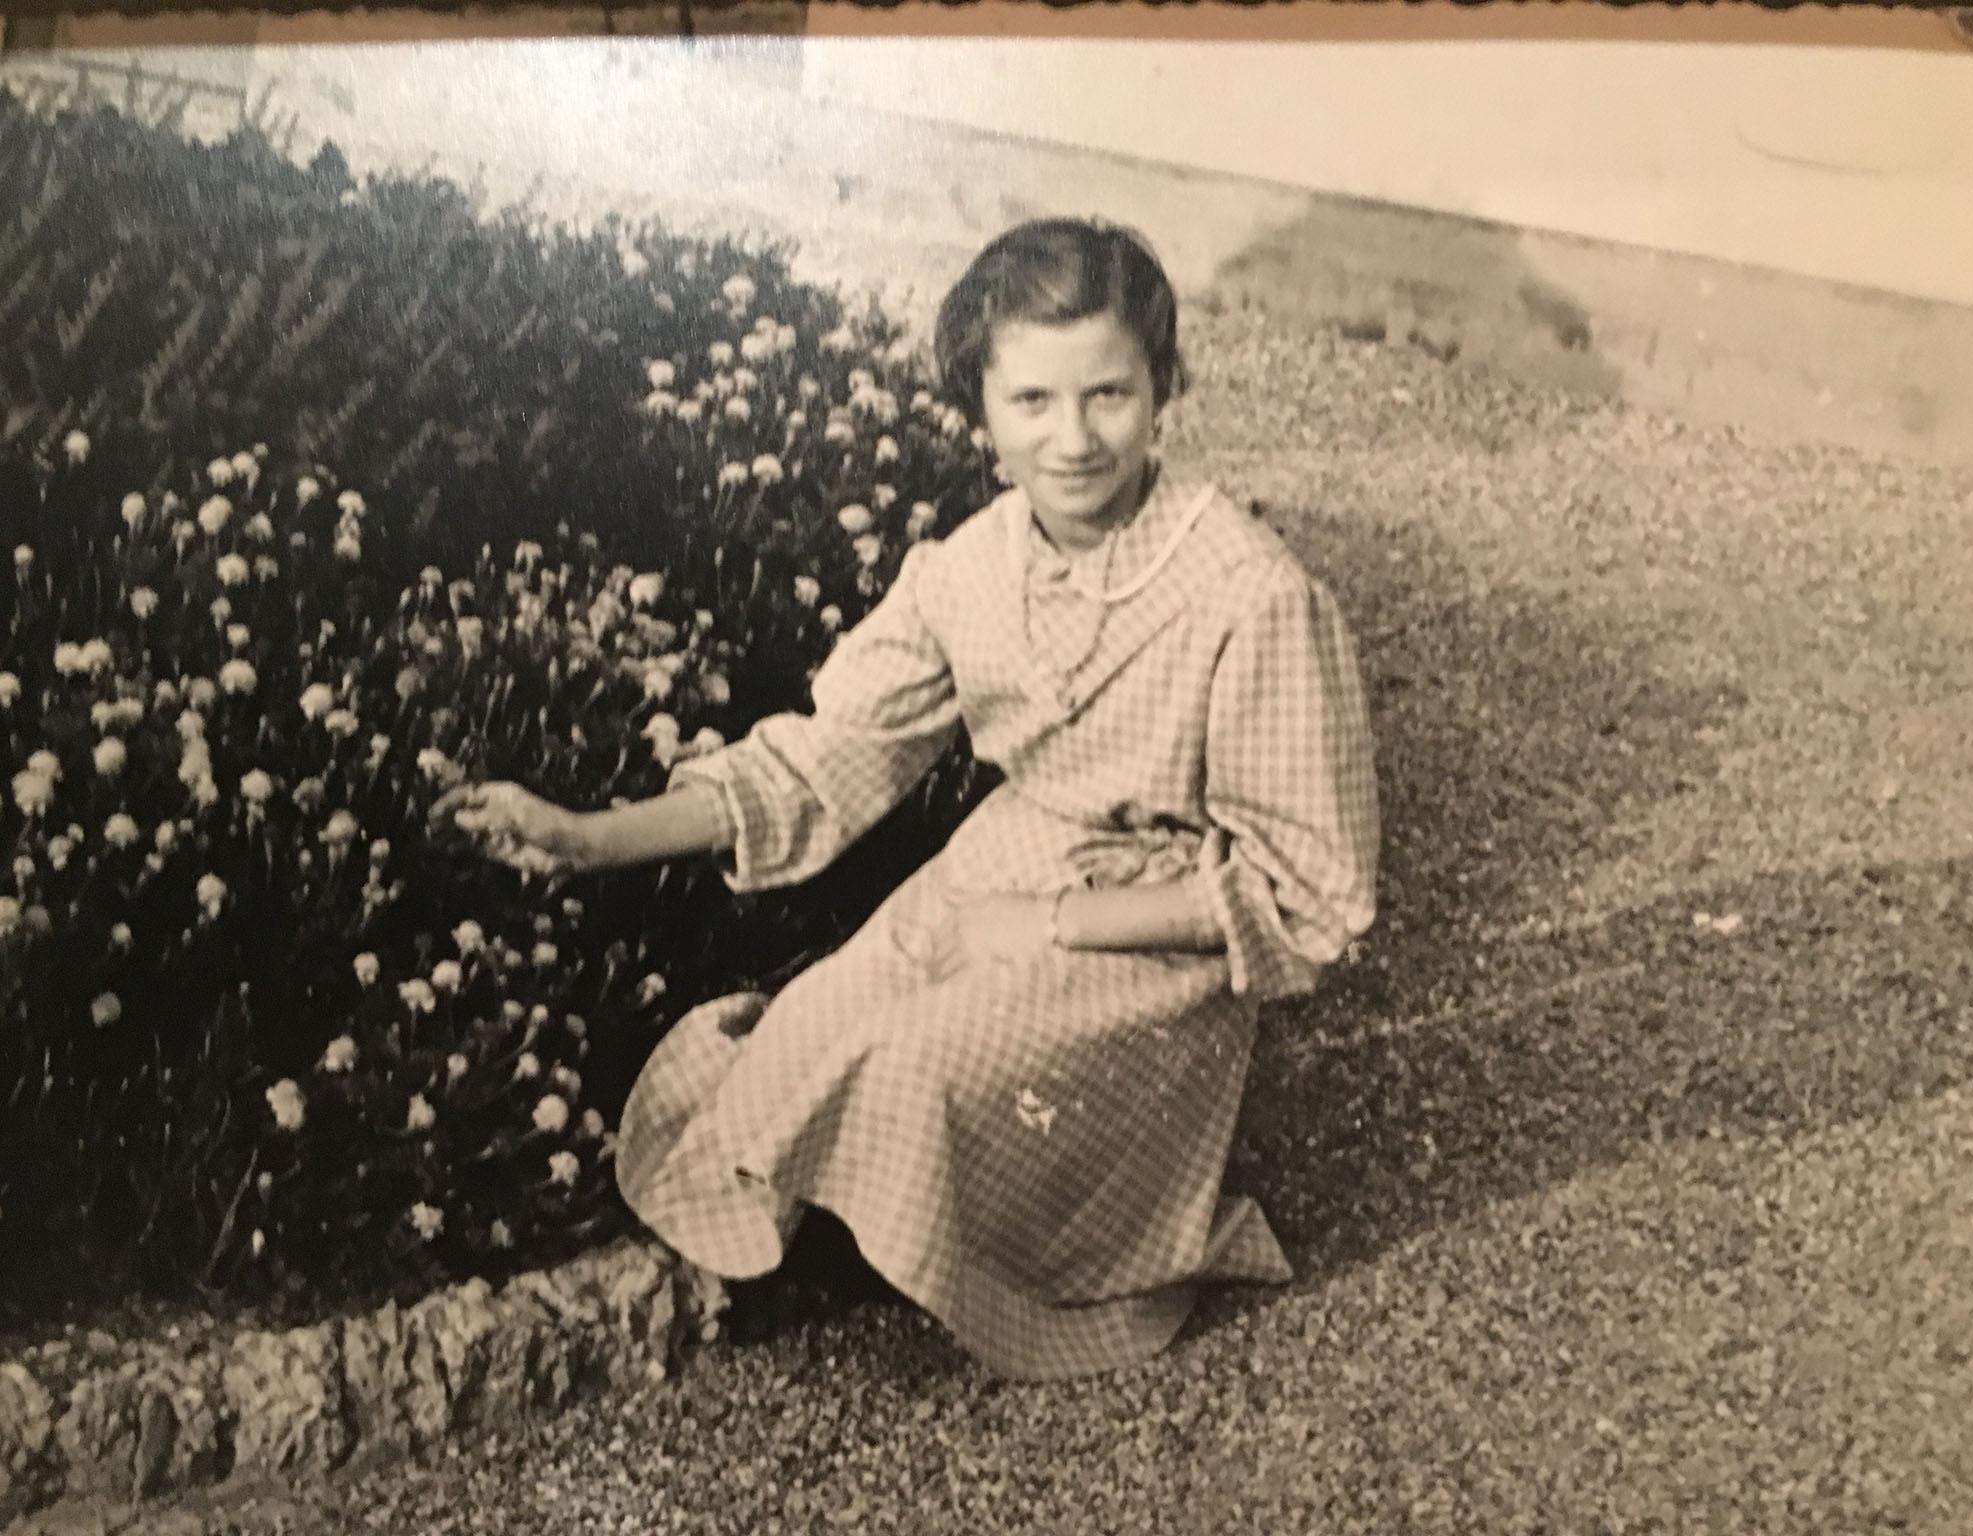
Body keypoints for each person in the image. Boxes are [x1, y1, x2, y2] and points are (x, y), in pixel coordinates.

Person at [433, 218, 1379, 1381]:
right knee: (803, 1042)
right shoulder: (968, 569)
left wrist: (1049, 926)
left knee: (915, 1070)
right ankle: (860, 1220)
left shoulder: (1250, 593)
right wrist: (588, 839)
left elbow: (1311, 894)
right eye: (1031, 401)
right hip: (996, 868)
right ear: (980, 413)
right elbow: (824, 759)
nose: (1073, 439)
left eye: (1108, 395)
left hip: (1149, 938)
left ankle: (1065, 1264)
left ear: (1163, 387)